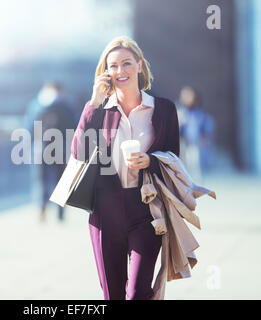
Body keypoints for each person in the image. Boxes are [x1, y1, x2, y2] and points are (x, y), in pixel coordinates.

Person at [70, 36, 180, 300]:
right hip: (105, 215)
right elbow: (78, 153)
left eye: (127, 63)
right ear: (106, 73)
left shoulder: (163, 109)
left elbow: (174, 156)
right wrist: (93, 103)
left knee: (139, 293)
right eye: (113, 66)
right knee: (113, 294)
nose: (120, 71)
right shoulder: (99, 111)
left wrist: (150, 161)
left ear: (139, 66)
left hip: (147, 210)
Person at [24, 82, 75, 222]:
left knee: (40, 180)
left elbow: (28, 126)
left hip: (40, 146)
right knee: (61, 181)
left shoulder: (36, 105)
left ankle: (42, 209)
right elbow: (74, 126)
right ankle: (60, 212)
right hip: (61, 146)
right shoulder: (66, 106)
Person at [176, 86, 215, 183]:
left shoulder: (199, 113)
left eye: (189, 96)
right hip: (182, 141)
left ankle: (195, 181)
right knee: (182, 161)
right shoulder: (179, 111)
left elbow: (206, 126)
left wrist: (205, 137)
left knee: (194, 161)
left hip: (194, 142)